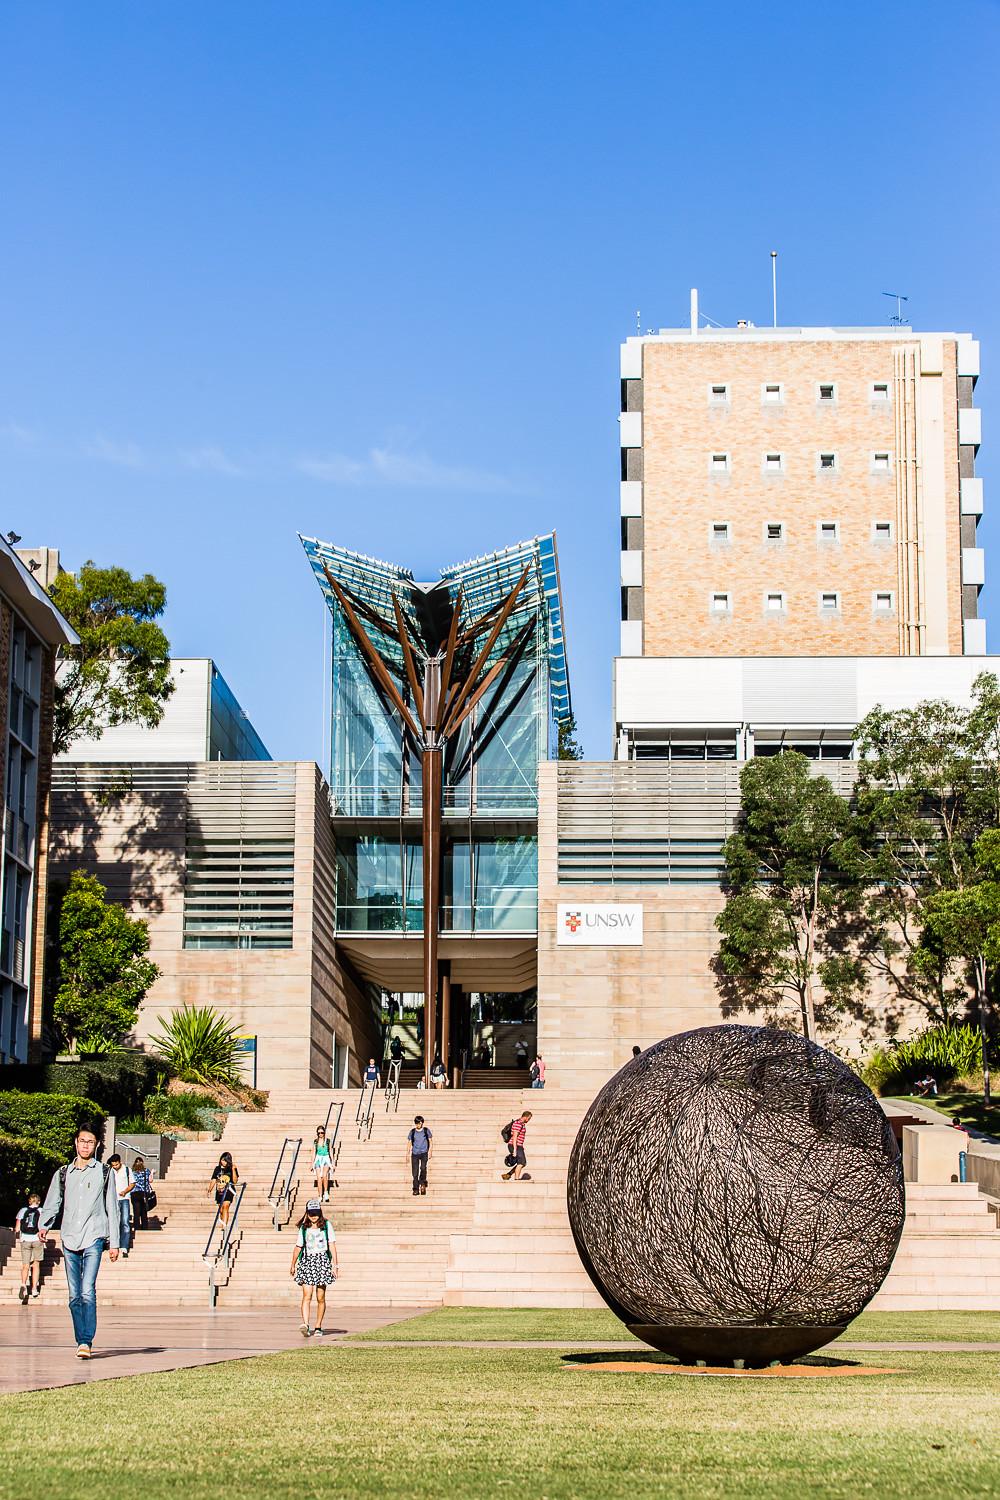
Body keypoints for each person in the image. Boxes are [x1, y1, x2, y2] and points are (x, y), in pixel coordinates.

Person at [39, 1121, 120, 1358]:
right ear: (76, 1143)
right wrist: (44, 1225)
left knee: (87, 1290)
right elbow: (52, 1202)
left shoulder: (104, 1172)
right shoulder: (63, 1173)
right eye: (82, 1141)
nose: (86, 1145)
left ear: (96, 1146)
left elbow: (112, 1208)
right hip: (69, 1236)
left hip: (94, 1235)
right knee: (74, 1295)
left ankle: (86, 1341)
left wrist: (114, 1243)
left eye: (90, 1142)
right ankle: (80, 1340)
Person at [290, 1199, 338, 1337]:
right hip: (307, 1262)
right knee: (307, 1295)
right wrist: (293, 1264)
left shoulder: (326, 1226)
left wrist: (335, 1265)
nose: (314, 1216)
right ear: (307, 1213)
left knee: (320, 1297)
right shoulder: (304, 1228)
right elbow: (298, 1247)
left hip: (322, 1261)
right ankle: (305, 1324)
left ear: (320, 1212)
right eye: (311, 1213)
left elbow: (332, 1246)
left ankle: (318, 1326)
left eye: (316, 1213)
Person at [15, 1192, 44, 1303]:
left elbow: (17, 1228)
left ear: (29, 1201)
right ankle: (34, 1288)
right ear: (39, 1202)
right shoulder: (41, 1211)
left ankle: (23, 1284)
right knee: (36, 1265)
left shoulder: (23, 1210)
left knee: (25, 1265)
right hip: (37, 1239)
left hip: (25, 1240)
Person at [107, 1153, 134, 1257]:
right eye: (113, 1165)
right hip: (112, 1199)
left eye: (116, 1164)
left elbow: (132, 1183)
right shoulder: (110, 1171)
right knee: (113, 1222)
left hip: (124, 1199)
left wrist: (125, 1191)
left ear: (120, 1162)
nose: (115, 1167)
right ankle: (113, 1244)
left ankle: (124, 1246)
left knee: (125, 1222)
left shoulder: (127, 1170)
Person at [209, 1151, 239, 1226]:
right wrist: (209, 1190)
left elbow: (235, 1181)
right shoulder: (217, 1168)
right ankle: (222, 1223)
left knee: (225, 1207)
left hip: (229, 1191)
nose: (223, 1162)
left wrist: (233, 1170)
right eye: (222, 1160)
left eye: (225, 1160)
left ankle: (224, 1227)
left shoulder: (231, 1168)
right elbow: (213, 1179)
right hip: (219, 1191)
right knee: (221, 1210)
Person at [502, 1110, 533, 1182]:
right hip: (515, 1145)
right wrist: (515, 1150)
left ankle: (508, 1174)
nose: (529, 1120)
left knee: (522, 1162)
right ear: (526, 1117)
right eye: (529, 1118)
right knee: (521, 1162)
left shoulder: (521, 1124)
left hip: (518, 1145)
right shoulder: (518, 1123)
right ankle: (517, 1179)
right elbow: (515, 1136)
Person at [407, 1115, 433, 1196]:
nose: (419, 1125)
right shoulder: (412, 1132)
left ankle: (422, 1183)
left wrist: (430, 1151)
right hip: (415, 1153)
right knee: (415, 1172)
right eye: (417, 1123)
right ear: (415, 1123)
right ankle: (415, 1189)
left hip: (424, 1153)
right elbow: (409, 1143)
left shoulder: (426, 1130)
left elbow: (430, 1141)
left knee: (423, 1168)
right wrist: (407, 1154)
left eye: (420, 1123)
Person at [131, 1156, 154, 1231]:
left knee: (136, 1212)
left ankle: (137, 1228)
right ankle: (144, 1228)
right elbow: (150, 1180)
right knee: (144, 1212)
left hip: (134, 1193)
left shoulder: (132, 1172)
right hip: (144, 1193)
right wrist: (152, 1173)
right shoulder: (146, 1171)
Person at [312, 1125, 333, 1202]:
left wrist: (332, 1162)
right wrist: (312, 1163)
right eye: (319, 1133)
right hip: (318, 1159)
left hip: (326, 1158)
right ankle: (320, 1195)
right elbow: (314, 1152)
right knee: (319, 1178)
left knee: (324, 1175)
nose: (320, 1134)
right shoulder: (315, 1141)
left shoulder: (327, 1141)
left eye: (322, 1133)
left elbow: (330, 1151)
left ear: (324, 1133)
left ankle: (326, 1192)